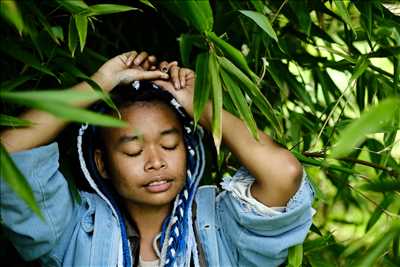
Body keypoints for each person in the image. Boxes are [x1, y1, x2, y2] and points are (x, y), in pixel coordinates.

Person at [0, 51, 315, 267]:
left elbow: (284, 174)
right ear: (101, 163)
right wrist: (99, 84)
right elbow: (9, 153)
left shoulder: (220, 228)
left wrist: (201, 104)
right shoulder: (75, 232)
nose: (155, 162)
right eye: (133, 151)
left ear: (188, 151)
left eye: (169, 145)